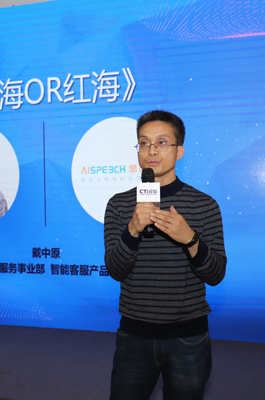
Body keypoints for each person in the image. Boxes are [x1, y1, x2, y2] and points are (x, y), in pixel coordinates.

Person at [104, 110, 226, 400]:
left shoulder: (204, 205)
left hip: (188, 337)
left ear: (179, 151)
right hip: (134, 335)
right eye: (144, 143)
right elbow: (116, 270)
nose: (151, 151)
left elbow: (216, 274)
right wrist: (132, 230)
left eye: (161, 142)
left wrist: (190, 239)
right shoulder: (119, 205)